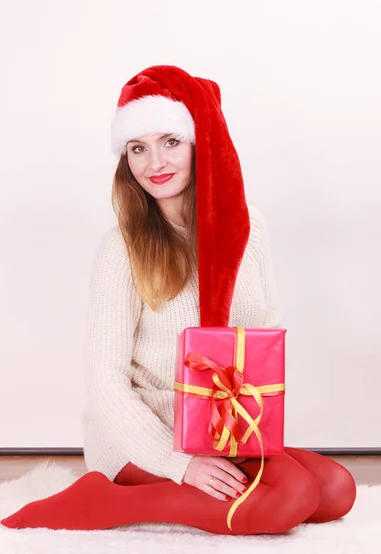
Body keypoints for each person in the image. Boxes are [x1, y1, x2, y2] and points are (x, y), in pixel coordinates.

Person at [1, 65, 356, 534]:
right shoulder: (121, 248)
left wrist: (245, 436)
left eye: (170, 141)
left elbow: (261, 344)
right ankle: (105, 501)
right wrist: (180, 462)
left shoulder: (251, 231)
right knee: (290, 499)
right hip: (141, 438)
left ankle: (145, 492)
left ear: (200, 143)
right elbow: (105, 382)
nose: (154, 163)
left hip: (220, 428)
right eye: (137, 148)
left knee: (335, 489)